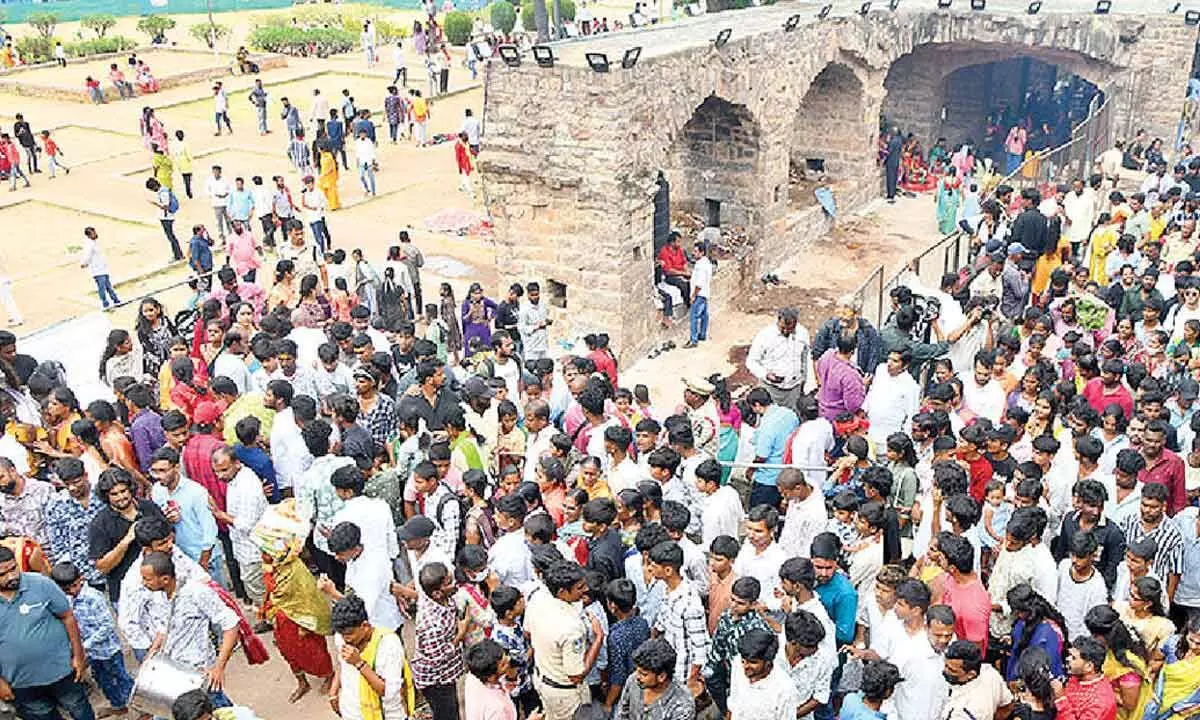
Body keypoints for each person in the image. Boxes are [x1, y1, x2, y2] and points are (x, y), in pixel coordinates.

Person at [0, 544, 94, 720]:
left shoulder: (40, 584)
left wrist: (79, 656)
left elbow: (68, 617)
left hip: (62, 672)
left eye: (14, 568)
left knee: (79, 708)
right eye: (3, 574)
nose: (12, 576)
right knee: (42, 715)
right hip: (22, 683)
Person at [612, 637, 695, 720]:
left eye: (644, 674)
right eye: (637, 670)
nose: (637, 676)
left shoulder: (682, 706)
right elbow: (622, 712)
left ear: (662, 677)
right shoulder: (633, 681)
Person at [79, 227, 120, 311]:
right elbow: (87, 256)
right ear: (89, 235)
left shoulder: (95, 243)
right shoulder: (89, 245)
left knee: (108, 286)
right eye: (93, 233)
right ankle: (105, 303)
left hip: (103, 268)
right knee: (102, 287)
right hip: (97, 270)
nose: (95, 234)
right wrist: (84, 263)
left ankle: (115, 300)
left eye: (95, 232)